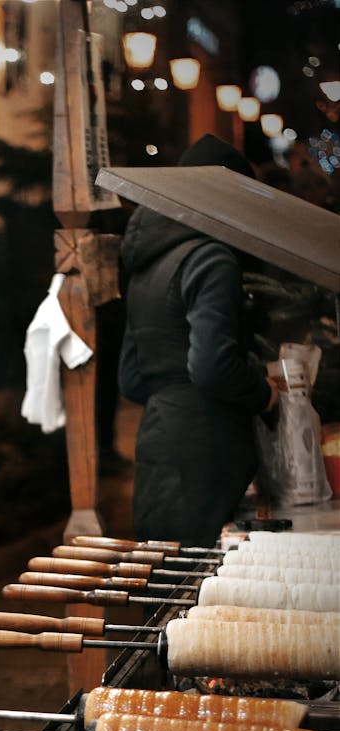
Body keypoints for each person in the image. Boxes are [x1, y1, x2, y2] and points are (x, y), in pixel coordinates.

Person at [117, 134, 279, 546]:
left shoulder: (145, 264)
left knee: (166, 584)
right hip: (209, 453)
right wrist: (264, 393)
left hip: (157, 443)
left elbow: (131, 379)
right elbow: (211, 367)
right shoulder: (212, 259)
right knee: (207, 591)